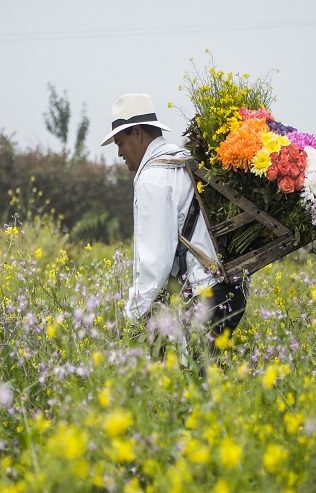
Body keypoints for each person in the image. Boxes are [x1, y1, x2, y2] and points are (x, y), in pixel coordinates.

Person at [100, 93, 248, 351]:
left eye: (120, 143)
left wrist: (132, 316)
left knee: (196, 385)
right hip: (229, 290)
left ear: (137, 133)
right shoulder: (181, 161)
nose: (120, 152)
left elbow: (154, 262)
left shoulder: (153, 179)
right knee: (204, 381)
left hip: (206, 296)